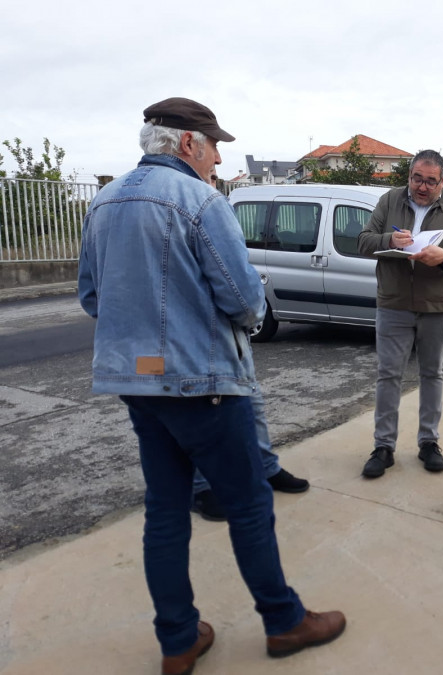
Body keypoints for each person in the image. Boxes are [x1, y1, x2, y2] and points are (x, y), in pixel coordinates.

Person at [78, 97, 345, 675]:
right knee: (249, 503)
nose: (220, 157)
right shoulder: (200, 201)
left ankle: (177, 642)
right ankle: (284, 622)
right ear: (186, 143)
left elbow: (91, 297)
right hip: (203, 383)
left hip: (138, 380)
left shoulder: (103, 201)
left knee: (165, 511)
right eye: (214, 144)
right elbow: (246, 299)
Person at [191, 174, 309, 522]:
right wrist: (252, 311)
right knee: (200, 415)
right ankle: (201, 488)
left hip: (230, 336)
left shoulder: (216, 210)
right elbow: (241, 295)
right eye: (211, 171)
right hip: (203, 336)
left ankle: (266, 468)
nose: (216, 170)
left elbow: (93, 296)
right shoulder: (198, 208)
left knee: (251, 404)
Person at [357, 150, 443, 478]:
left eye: (431, 181)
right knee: (388, 374)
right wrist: (388, 239)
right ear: (409, 176)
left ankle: (428, 442)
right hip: (393, 302)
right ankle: (383, 446)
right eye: (417, 179)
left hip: (438, 303)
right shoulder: (389, 200)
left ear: (442, 181)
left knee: (432, 374)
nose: (422, 187)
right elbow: (363, 242)